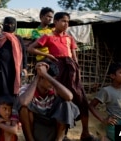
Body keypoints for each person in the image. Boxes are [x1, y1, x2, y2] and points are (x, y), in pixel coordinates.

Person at [27, 12, 94, 141]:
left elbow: (75, 58)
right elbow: (30, 48)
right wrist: (47, 56)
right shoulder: (48, 36)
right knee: (60, 101)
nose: (66, 24)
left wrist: (78, 73)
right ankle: (63, 135)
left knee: (81, 100)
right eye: (63, 21)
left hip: (71, 71)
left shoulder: (70, 38)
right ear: (56, 22)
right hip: (57, 70)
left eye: (68, 22)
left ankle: (85, 132)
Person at [18, 61, 79, 141]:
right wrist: (39, 76)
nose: (52, 83)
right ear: (40, 77)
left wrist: (46, 75)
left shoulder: (55, 90)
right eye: (49, 79)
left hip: (52, 128)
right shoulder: (26, 89)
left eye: (54, 79)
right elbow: (24, 102)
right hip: (37, 129)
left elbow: (69, 97)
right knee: (23, 108)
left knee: (66, 103)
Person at [89, 62, 121, 141]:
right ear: (112, 75)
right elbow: (91, 106)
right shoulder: (106, 91)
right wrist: (103, 120)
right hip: (115, 124)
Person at [0, 16, 27, 108]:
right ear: (3, 25)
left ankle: (12, 111)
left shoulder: (18, 39)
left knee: (12, 90)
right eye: (7, 24)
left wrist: (25, 68)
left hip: (14, 70)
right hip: (0, 68)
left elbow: (24, 53)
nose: (9, 26)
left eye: (12, 24)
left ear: (15, 26)